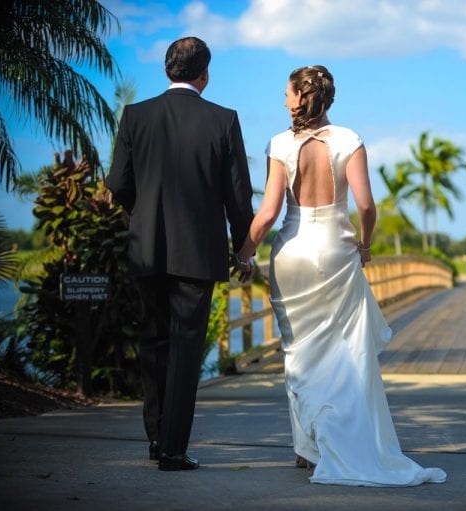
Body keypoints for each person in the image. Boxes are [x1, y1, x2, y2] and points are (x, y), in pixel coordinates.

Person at [235, 65, 446, 486]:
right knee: (343, 354)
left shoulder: (280, 144)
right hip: (336, 250)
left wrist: (244, 253)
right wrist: (364, 245)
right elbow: (366, 206)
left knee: (298, 351)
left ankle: (307, 449)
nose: (283, 100)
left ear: (301, 97)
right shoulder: (350, 140)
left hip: (292, 252)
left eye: (286, 93)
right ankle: (338, 443)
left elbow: (269, 213)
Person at [106, 36, 254, 471]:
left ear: (166, 70)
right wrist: (244, 250)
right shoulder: (223, 120)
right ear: (204, 75)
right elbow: (238, 197)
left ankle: (156, 439)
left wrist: (144, 214)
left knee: (153, 343)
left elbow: (118, 183)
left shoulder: (136, 116)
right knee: (187, 348)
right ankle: (173, 448)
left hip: (146, 249)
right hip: (198, 253)